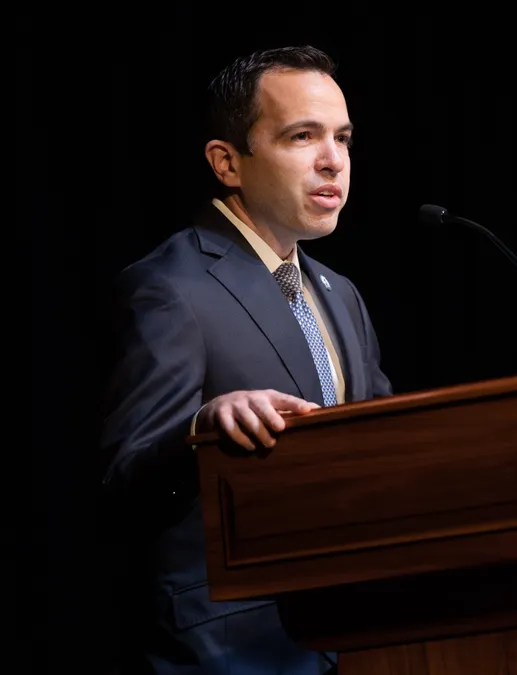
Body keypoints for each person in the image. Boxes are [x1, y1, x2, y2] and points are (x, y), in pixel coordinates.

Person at [99, 45, 392, 674]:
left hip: (360, 634)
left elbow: (383, 447)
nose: (332, 161)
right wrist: (200, 430)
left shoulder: (341, 295)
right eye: (301, 136)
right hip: (234, 647)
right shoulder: (169, 287)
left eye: (342, 138)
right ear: (227, 162)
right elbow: (125, 482)